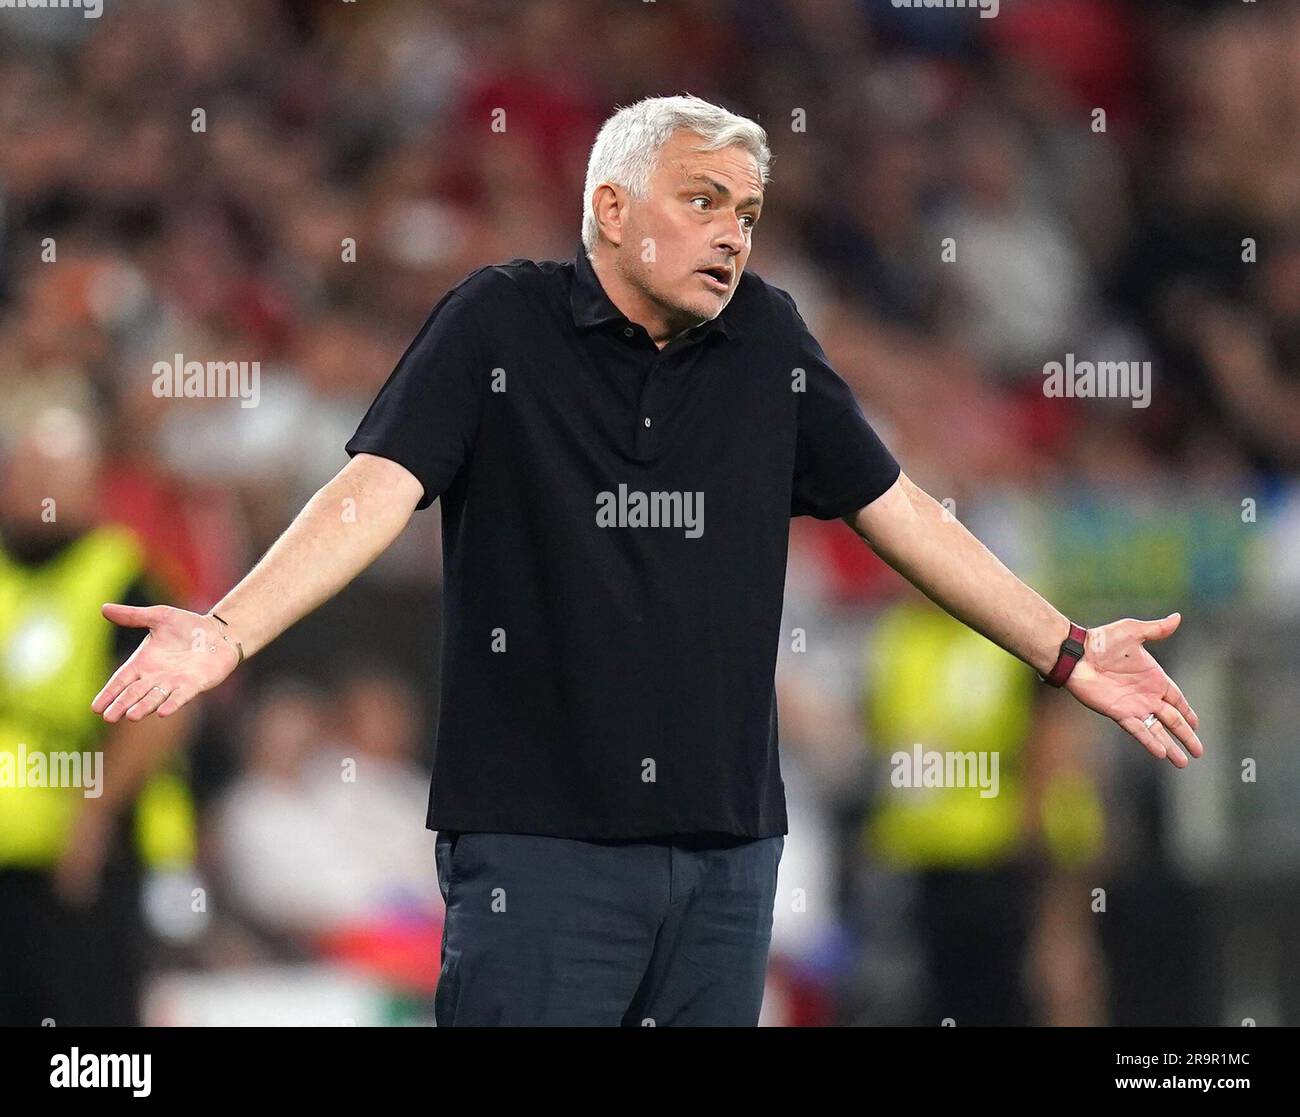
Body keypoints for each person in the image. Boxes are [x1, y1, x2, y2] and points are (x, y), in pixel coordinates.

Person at [91, 94, 1204, 1027]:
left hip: (727, 853)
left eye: (750, 215)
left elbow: (897, 508)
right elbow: (370, 492)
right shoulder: (498, 323)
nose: (732, 234)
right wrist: (227, 627)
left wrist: (1064, 649)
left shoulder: (768, 339)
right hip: (540, 849)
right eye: (704, 200)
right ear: (611, 210)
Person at [1, 407, 197, 1026]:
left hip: (80, 861)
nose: (40, 491)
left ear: (90, 489)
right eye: (28, 473)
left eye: (57, 476)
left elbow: (160, 708)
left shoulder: (124, 576)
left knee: (88, 1031)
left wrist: (94, 813)